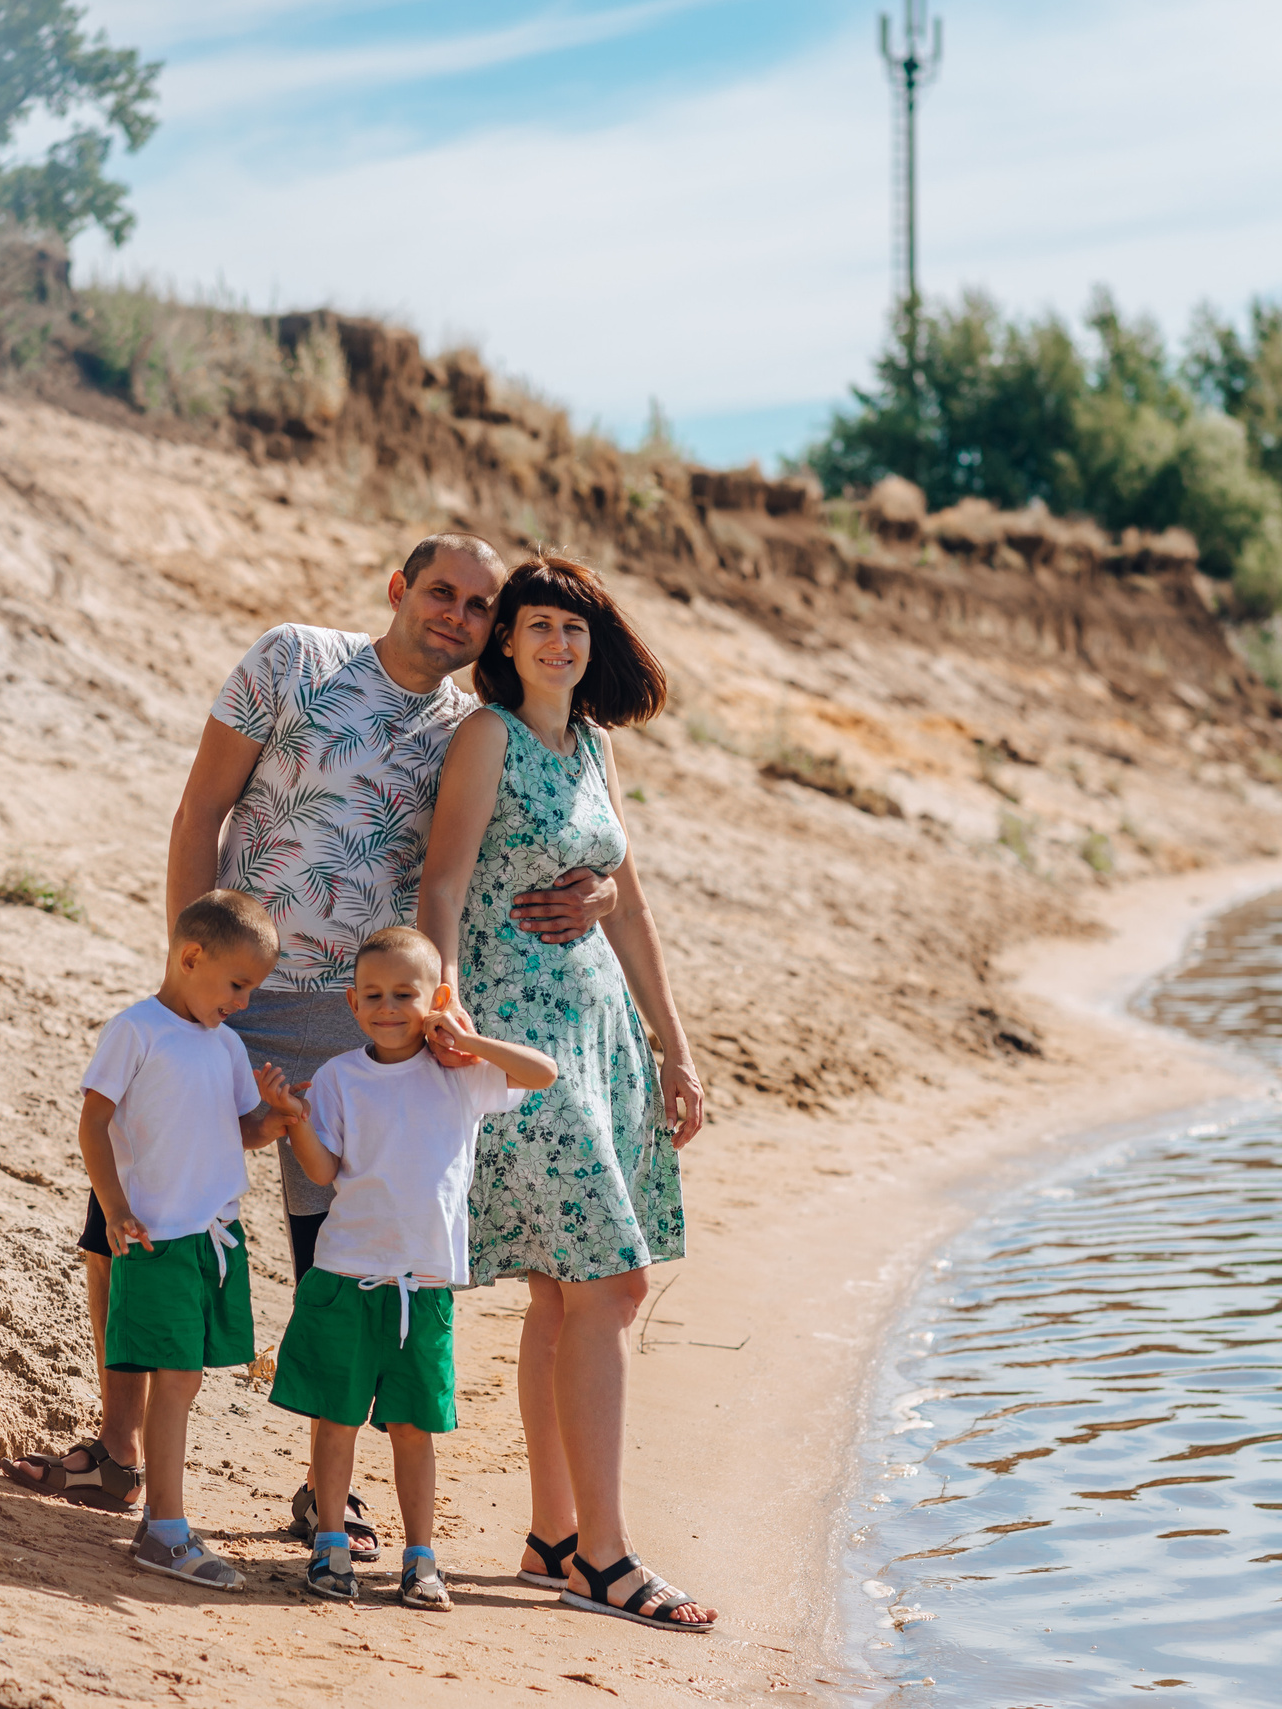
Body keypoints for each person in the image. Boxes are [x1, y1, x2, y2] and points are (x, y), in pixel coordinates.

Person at [13, 533, 619, 1556]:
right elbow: (202, 804)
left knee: (334, 1256)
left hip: (359, 1015)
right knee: (128, 1212)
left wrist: (596, 887)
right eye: (440, 592)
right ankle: (118, 1449)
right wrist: (188, 980)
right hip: (231, 991)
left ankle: (324, 1489)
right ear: (398, 588)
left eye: (479, 605)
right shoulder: (293, 657)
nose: (457, 616)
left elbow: (526, 841)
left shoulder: (476, 728)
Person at [419, 551, 716, 1633]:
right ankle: (606, 1550)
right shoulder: (485, 735)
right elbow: (441, 880)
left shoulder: (591, 743)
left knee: (562, 1285)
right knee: (613, 1282)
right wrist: (445, 1011)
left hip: (601, 1029)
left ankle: (552, 1536)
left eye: (573, 629)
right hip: (519, 1031)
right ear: (505, 641)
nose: (556, 641)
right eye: (537, 624)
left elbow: (628, 907)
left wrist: (674, 1045)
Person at [259, 926, 558, 1610]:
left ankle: (421, 1556)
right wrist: (292, 1115)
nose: (388, 1006)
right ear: (352, 1001)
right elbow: (322, 1171)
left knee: (413, 1427)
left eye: (405, 993)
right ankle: (330, 1541)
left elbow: (542, 1072)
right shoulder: (340, 1076)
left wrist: (466, 1038)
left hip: (423, 1284)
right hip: (344, 1275)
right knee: (335, 1420)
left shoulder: (460, 1075)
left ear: (436, 998)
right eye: (373, 994)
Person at [67, 890, 289, 1588]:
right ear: (190, 956)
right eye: (237, 984)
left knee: (185, 1380)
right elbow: (93, 1122)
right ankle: (164, 1527)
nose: (244, 1002)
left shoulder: (226, 1044)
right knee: (173, 1379)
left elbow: (243, 1130)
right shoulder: (137, 1030)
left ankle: (164, 1521)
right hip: (156, 1236)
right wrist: (113, 1205)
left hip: (212, 1237)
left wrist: (278, 1118)